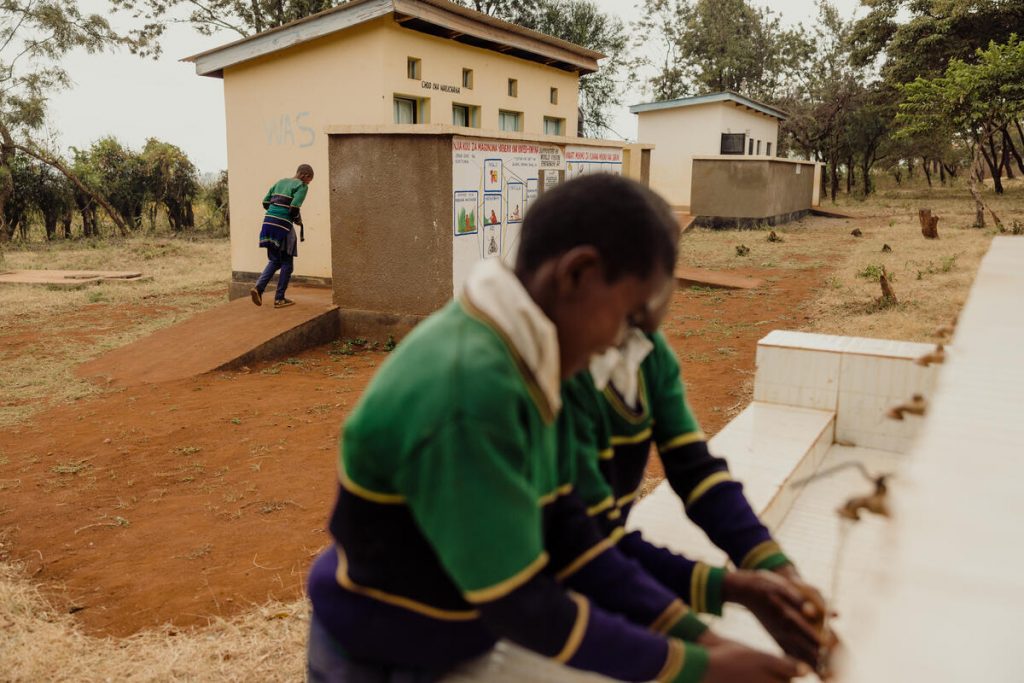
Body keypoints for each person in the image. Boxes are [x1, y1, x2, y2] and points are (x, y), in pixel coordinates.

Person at [306, 175, 807, 683]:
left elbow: (572, 540)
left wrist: (706, 642)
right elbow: (521, 601)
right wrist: (692, 668)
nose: (622, 344)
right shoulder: (472, 389)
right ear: (578, 274)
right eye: (629, 316)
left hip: (452, 637)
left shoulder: (526, 357)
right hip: (382, 651)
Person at [563, 276, 836, 669]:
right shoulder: (564, 379)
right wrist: (709, 645)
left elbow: (696, 471)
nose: (665, 298)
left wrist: (779, 574)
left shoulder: (644, 354)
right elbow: (585, 548)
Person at [250, 164, 313, 309]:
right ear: (305, 176)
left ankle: (258, 289)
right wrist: (297, 219)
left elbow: (265, 202)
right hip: (282, 226)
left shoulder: (280, 182)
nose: (309, 183)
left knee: (275, 260)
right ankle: (279, 299)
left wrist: (276, 210)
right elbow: (294, 207)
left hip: (268, 223)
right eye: (309, 180)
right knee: (287, 263)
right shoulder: (301, 186)